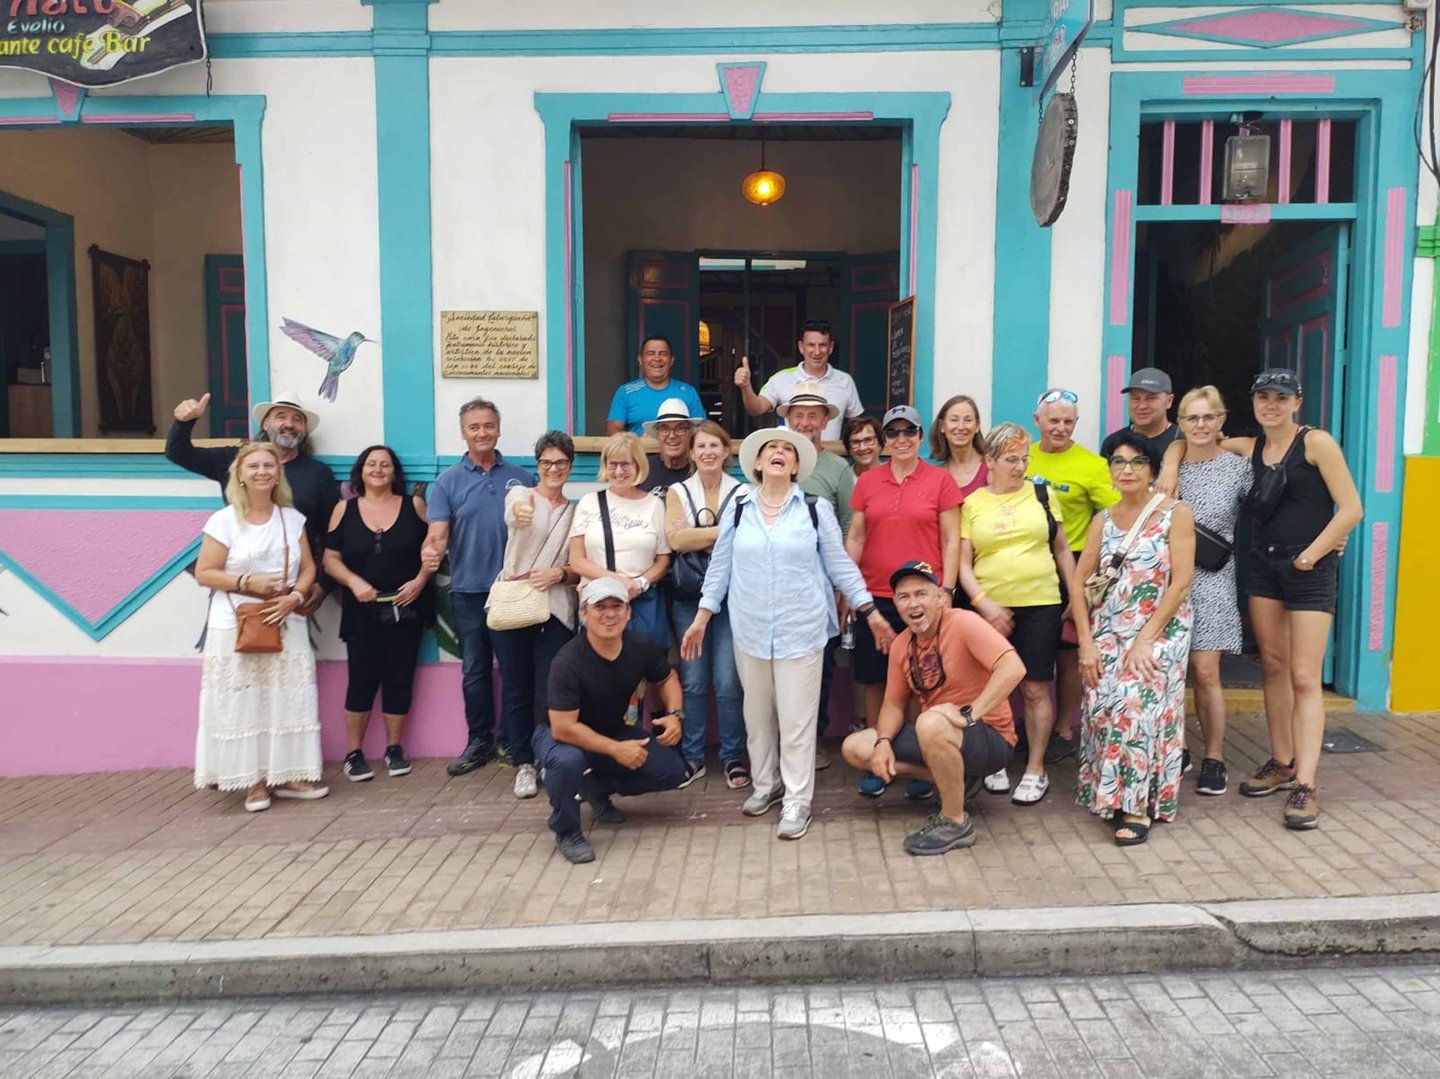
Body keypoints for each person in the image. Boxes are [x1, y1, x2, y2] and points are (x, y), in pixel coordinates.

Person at [1158, 369, 1363, 830]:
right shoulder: (1249, 448)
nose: (1271, 405)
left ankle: (1306, 784)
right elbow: (1188, 441)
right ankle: (1282, 760)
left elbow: (1351, 507)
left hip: (1307, 569)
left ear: (1297, 402)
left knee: (1305, 676)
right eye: (1263, 397)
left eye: (1281, 397)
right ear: (1252, 403)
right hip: (1263, 566)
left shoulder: (1315, 442)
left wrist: (1313, 553)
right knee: (1272, 664)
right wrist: (1170, 462)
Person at [682, 427, 892, 841]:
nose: (779, 453)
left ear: (796, 466)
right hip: (750, 629)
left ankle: (798, 800)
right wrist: (702, 618)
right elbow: (720, 568)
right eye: (771, 448)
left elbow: (840, 565)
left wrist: (869, 610)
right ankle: (767, 785)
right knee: (757, 717)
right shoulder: (738, 508)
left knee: (797, 720)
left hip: (802, 629)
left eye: (787, 450)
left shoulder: (814, 509)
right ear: (758, 463)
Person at [841, 562, 1026, 855]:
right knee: (857, 747)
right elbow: (893, 703)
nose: (913, 603)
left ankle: (955, 822)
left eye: (921, 594)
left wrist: (970, 713)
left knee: (929, 722)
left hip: (989, 736)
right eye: (904, 597)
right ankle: (956, 779)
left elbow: (1013, 668)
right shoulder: (902, 645)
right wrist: (883, 742)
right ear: (896, 605)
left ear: (940, 597)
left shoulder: (963, 622)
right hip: (939, 732)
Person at [1072, 432, 1195, 845]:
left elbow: (1181, 583)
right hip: (1109, 628)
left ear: (1152, 470)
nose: (1127, 470)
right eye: (1118, 462)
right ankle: (1109, 794)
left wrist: (1146, 638)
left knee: (1133, 703)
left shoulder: (1175, 513)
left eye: (1138, 462)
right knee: (1102, 703)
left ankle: (1137, 805)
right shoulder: (1102, 520)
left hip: (1161, 629)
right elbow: (1079, 583)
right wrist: (1086, 642)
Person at [193, 441, 328, 812]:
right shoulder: (224, 521)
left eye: (269, 466)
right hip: (237, 622)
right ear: (239, 473)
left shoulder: (291, 519)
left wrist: (295, 597)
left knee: (286, 697)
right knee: (244, 699)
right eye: (253, 466)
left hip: (284, 618)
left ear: (278, 473)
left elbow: (308, 567)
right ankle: (251, 780)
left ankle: (287, 774)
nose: (262, 472)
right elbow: (205, 572)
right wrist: (246, 583)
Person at [958, 422, 1077, 805]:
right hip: (989, 607)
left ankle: (1036, 769)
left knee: (1035, 687)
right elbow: (962, 562)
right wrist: (983, 603)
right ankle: (994, 760)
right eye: (1011, 459)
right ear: (990, 461)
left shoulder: (1042, 494)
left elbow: (1062, 550)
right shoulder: (972, 503)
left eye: (1024, 458)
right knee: (991, 687)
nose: (1020, 466)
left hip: (1040, 602)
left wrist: (1075, 596)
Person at [846, 405, 962, 798]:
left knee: (921, 680)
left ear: (920, 436)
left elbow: (951, 539)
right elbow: (857, 537)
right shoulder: (868, 482)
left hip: (924, 599)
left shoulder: (940, 480)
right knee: (874, 678)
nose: (901, 439)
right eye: (893, 432)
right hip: (875, 597)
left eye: (908, 431)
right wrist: (848, 588)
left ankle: (917, 757)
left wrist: (947, 590)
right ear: (885, 440)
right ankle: (878, 757)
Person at [422, 398, 536, 777]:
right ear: (463, 433)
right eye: (474, 427)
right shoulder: (447, 482)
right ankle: (479, 741)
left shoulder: (522, 478)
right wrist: (431, 550)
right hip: (468, 591)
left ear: (498, 429)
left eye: (488, 425)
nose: (482, 432)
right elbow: (437, 534)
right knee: (475, 671)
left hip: (513, 590)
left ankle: (513, 741)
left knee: (516, 671)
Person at [538, 578, 687, 865]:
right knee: (567, 762)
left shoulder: (640, 646)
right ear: (584, 613)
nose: (609, 614)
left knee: (672, 771)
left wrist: (675, 715)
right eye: (600, 607)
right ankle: (567, 832)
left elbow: (667, 678)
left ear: (628, 613)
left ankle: (595, 787)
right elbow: (563, 727)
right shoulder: (567, 661)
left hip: (610, 730)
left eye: (617, 606)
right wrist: (616, 749)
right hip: (559, 735)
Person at [168, 389, 339, 614]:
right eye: (280, 417)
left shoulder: (318, 474)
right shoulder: (235, 460)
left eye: (297, 419)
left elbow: (331, 533)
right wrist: (184, 423)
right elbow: (178, 453)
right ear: (265, 424)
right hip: (235, 587)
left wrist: (323, 583)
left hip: (291, 591)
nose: (289, 424)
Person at [323, 445, 434, 782]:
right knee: (361, 679)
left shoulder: (414, 505)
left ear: (394, 471)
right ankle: (354, 753)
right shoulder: (344, 509)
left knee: (400, 679)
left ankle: (394, 749)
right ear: (361, 470)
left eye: (385, 464)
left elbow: (433, 551)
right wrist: (353, 582)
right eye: (371, 464)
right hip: (361, 610)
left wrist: (419, 581)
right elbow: (330, 558)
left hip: (406, 607)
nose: (378, 469)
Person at [1026, 388, 1121, 763]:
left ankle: (1063, 728)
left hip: (1074, 565)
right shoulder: (1022, 456)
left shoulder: (1093, 465)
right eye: (1054, 421)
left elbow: (1116, 516)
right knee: (1029, 653)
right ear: (1038, 421)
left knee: (1067, 655)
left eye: (1068, 421)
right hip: (1028, 562)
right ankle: (1032, 727)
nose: (1061, 428)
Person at [489, 431, 580, 800]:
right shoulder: (521, 495)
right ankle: (523, 762)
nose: (553, 469)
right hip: (515, 607)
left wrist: (560, 573)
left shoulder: (577, 513)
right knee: (516, 688)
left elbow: (578, 567)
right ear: (537, 465)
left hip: (556, 610)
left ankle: (546, 756)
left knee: (549, 689)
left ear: (570, 466)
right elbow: (514, 512)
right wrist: (521, 513)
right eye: (546, 463)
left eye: (560, 463)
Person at [1170, 387, 1251, 796]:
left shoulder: (1237, 468)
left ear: (1221, 420)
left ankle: (1214, 757)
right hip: (1169, 577)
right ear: (1180, 423)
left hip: (1213, 578)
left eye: (1208, 417)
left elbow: (1274, 503)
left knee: (1205, 671)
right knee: (1169, 671)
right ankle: (1177, 748)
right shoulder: (1169, 466)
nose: (1200, 425)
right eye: (1192, 418)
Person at [665, 420, 746, 788]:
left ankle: (733, 757)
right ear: (692, 453)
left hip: (732, 597)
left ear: (726, 451)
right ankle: (693, 756)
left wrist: (697, 535)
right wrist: (724, 533)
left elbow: (745, 538)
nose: (708, 452)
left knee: (728, 681)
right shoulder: (678, 491)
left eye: (715, 445)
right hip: (689, 597)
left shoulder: (743, 492)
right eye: (701, 446)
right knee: (695, 679)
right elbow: (676, 540)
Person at [780, 382, 855, 767]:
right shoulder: (774, 457)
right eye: (799, 415)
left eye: (813, 415)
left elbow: (848, 525)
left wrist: (844, 586)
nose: (805, 422)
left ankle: (813, 739)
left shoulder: (838, 468)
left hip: (821, 585)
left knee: (819, 666)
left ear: (825, 421)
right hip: (777, 584)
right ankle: (779, 743)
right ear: (788, 420)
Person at [568, 432, 672, 648]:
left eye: (625, 464)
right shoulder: (589, 503)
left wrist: (639, 584)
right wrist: (617, 582)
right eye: (612, 464)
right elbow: (577, 560)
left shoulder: (654, 505)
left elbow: (663, 559)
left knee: (644, 662)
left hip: (642, 602)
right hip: (600, 603)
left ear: (638, 465)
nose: (618, 471)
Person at [734, 319, 864, 441]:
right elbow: (756, 409)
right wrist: (746, 387)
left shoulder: (845, 381)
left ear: (831, 347)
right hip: (792, 454)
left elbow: (856, 425)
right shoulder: (781, 378)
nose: (817, 352)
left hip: (829, 455)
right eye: (811, 345)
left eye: (822, 345)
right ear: (801, 347)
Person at [606, 336, 705, 436]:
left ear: (672, 360)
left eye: (663, 354)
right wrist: (635, 442)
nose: (657, 358)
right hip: (639, 446)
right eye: (651, 353)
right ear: (640, 359)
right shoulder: (626, 392)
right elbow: (613, 428)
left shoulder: (688, 392)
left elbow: (701, 430)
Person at [1100, 367, 1181, 460]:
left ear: (1169, 401)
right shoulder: (1113, 443)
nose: (1142, 406)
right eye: (1135, 398)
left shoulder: (1184, 441)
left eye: (1151, 398)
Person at [931, 395, 988, 504]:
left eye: (968, 420)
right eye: (954, 420)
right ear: (942, 426)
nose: (961, 427)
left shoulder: (992, 468)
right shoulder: (935, 476)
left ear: (977, 426)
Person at [641, 398, 699, 498]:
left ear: (689, 433)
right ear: (657, 434)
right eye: (665, 429)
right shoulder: (643, 468)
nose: (672, 435)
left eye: (680, 428)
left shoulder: (700, 470)